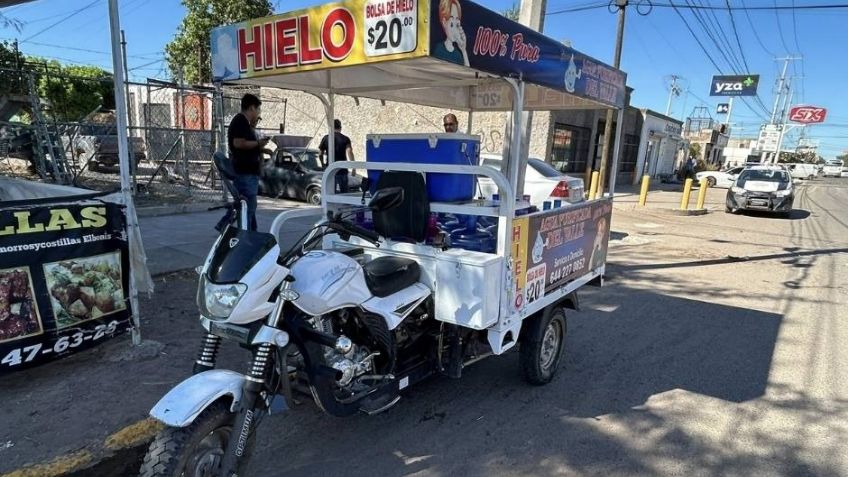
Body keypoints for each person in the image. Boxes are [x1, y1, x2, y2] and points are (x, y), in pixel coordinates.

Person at [227, 93, 268, 231]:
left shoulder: (245, 123)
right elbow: (239, 143)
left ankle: (251, 234)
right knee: (247, 209)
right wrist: (258, 143)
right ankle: (246, 237)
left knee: (249, 209)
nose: (258, 113)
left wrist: (260, 147)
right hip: (245, 174)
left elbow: (247, 144)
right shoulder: (240, 121)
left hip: (249, 173)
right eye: (258, 109)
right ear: (251, 108)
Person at [319, 119, 354, 193]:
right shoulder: (345, 139)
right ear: (340, 127)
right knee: (344, 193)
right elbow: (349, 152)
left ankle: (331, 205)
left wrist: (323, 165)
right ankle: (344, 204)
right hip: (342, 169)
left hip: (330, 169)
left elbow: (320, 154)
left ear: (331, 127)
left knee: (330, 192)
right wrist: (353, 167)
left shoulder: (326, 138)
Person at [432, 0, 470, 66]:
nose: (454, 29)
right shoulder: (439, 49)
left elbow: (467, 73)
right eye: (452, 24)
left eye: (457, 24)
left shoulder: (458, 55)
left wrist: (463, 50)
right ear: (444, 22)